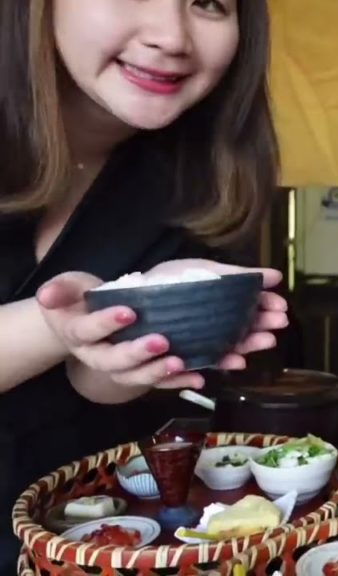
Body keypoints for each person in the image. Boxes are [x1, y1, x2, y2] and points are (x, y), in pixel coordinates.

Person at [0, 0, 290, 570]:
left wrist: (145, 330)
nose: (171, 36)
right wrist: (61, 322)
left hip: (74, 535)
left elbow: (94, 389)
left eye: (208, 3)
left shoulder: (195, 172)